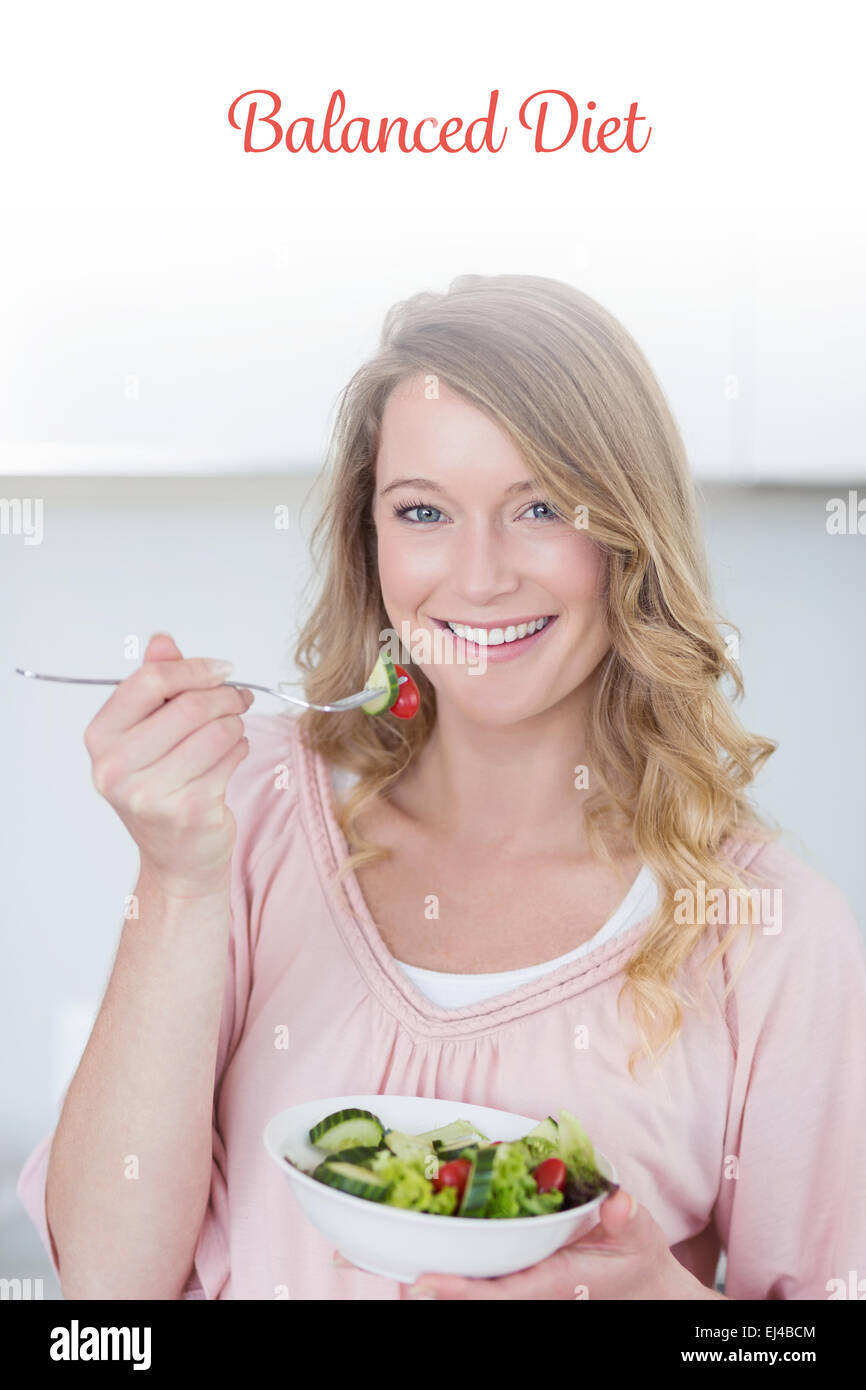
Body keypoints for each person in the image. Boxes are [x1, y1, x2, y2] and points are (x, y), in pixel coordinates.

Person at [18, 274, 866, 1300]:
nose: (476, 576)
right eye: (422, 510)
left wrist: (658, 1304)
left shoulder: (767, 932)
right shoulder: (245, 814)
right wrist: (178, 880)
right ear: (370, 539)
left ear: (627, 537)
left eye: (539, 507)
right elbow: (101, 1301)